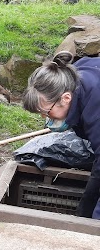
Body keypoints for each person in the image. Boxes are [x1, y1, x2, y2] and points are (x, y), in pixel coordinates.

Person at [23, 50, 100, 219]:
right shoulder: (71, 74)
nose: (45, 118)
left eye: (47, 112)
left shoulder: (95, 111)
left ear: (65, 98)